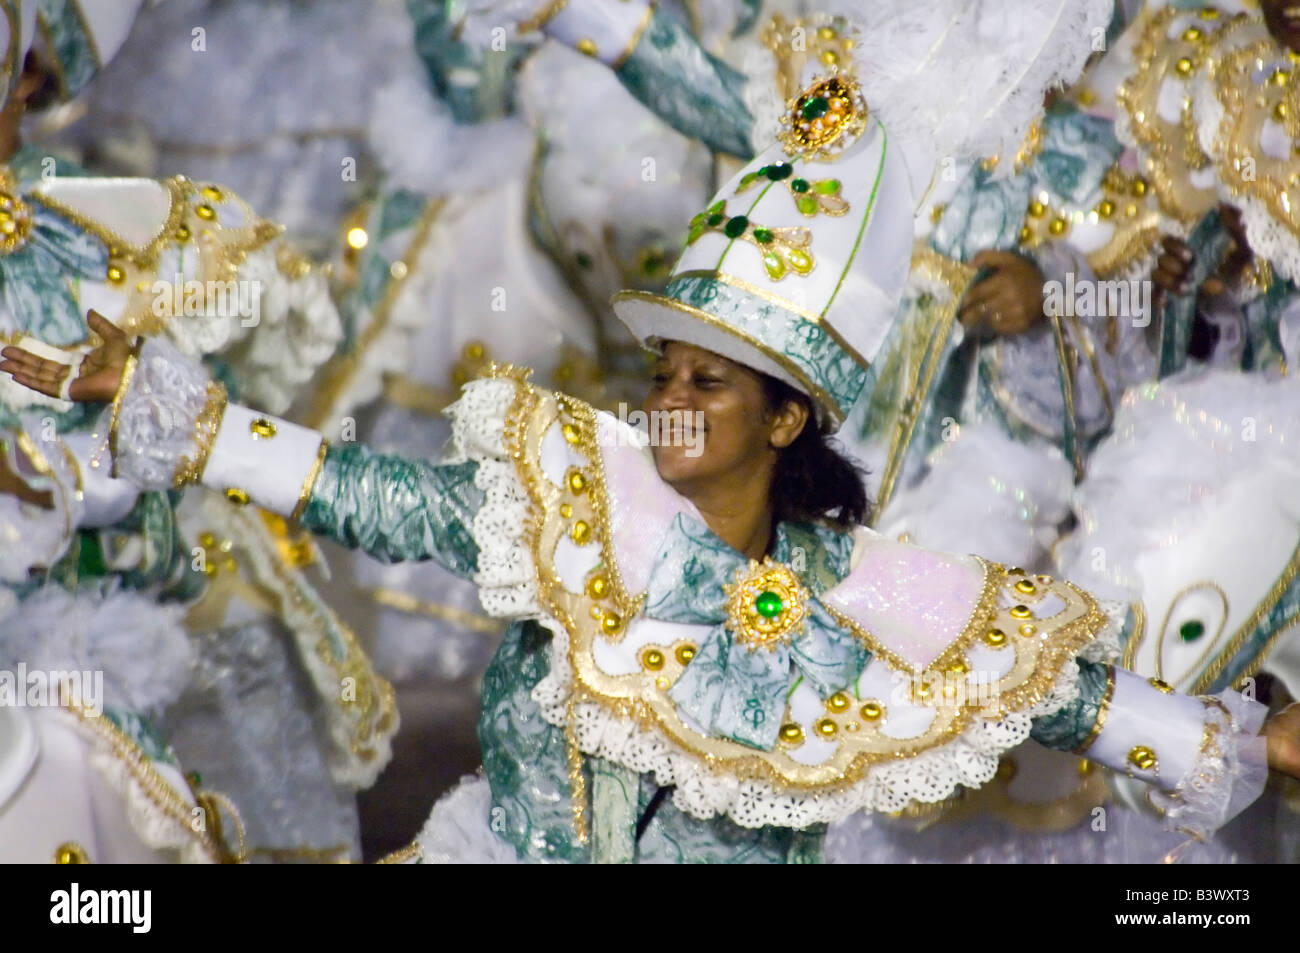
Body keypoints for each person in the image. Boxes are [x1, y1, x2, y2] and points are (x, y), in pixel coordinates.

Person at [9, 61, 1300, 863]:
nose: (670, 401)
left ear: (787, 419)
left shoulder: (858, 588)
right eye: (666, 373)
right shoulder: (570, 494)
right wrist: (190, 419)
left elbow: (1036, 681)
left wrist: (1231, 737)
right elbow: (373, 497)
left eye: (706, 382)